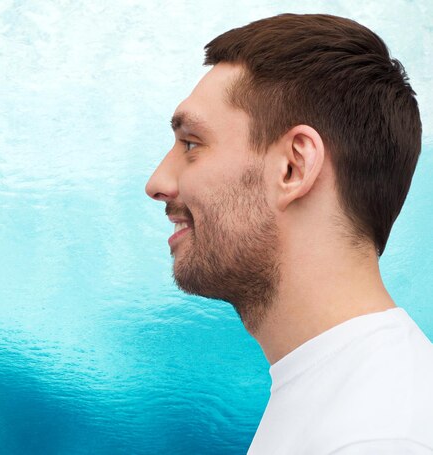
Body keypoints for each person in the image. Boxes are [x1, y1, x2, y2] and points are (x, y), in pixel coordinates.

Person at [145, 13, 433, 454]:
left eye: (191, 145)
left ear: (293, 168)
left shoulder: (379, 436)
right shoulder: (341, 393)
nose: (157, 183)